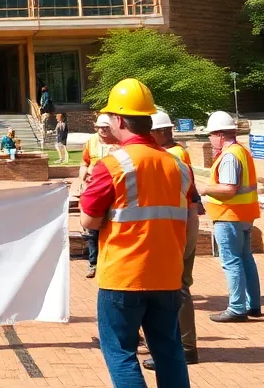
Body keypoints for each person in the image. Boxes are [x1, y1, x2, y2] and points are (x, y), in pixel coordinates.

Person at [78, 79, 196, 387]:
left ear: (118, 119)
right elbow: (189, 214)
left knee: (121, 353)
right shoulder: (179, 165)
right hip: (167, 275)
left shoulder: (112, 165)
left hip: (124, 277)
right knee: (169, 352)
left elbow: (88, 221)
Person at [201, 110, 262, 323]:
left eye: (210, 135)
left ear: (219, 134)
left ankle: (237, 307)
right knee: (245, 260)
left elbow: (229, 189)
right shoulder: (241, 151)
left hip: (229, 216)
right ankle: (252, 304)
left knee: (232, 262)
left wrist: (205, 189)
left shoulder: (229, 156)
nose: (210, 140)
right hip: (243, 215)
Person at [149, 111, 199, 367]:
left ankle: (184, 347)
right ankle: (185, 346)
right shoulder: (178, 154)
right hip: (183, 227)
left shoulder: (173, 157)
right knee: (179, 288)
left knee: (176, 289)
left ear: (160, 132)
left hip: (178, 231)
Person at [73, 114, 117, 278]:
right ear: (96, 128)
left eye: (107, 128)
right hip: (94, 188)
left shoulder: (119, 142)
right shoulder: (91, 142)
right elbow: (84, 163)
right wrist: (83, 178)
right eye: (101, 128)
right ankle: (93, 263)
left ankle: (109, 263)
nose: (104, 131)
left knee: (111, 226)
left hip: (113, 189)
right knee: (92, 229)